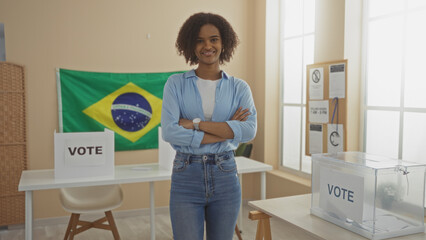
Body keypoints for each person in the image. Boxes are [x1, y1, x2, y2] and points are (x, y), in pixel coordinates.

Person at [161, 12, 257, 240]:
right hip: (186, 175)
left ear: (223, 43)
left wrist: (196, 124)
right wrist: (228, 131)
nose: (207, 46)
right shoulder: (175, 84)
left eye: (213, 39)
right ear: (190, 45)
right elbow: (170, 132)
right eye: (200, 40)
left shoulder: (239, 88)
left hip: (225, 175)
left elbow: (249, 130)